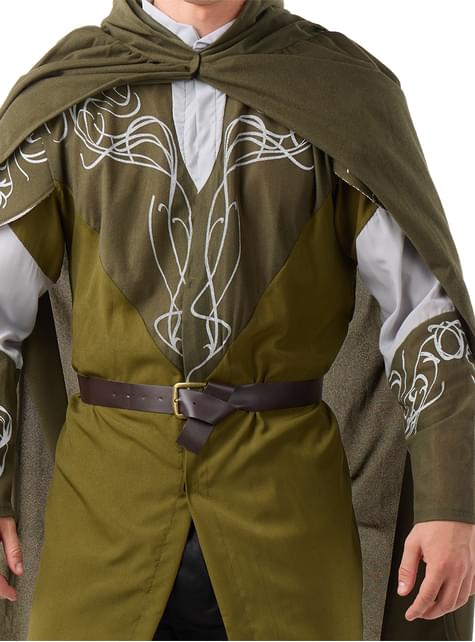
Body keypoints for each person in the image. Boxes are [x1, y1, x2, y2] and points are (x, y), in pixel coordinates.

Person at [0, 0, 474, 640]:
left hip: (287, 520)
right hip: (103, 515)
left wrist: (451, 502)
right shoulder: (72, 97)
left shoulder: (337, 93)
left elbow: (424, 317)